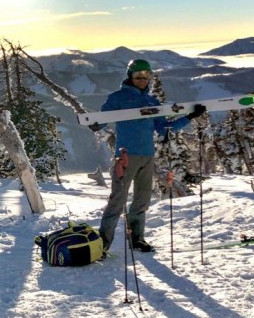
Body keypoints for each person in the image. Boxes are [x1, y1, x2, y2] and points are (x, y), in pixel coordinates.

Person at [88, 58, 205, 254]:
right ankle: (103, 243)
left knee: (142, 200)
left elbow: (163, 128)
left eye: (146, 75)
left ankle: (137, 239)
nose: (142, 79)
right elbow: (104, 118)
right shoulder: (118, 98)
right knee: (118, 200)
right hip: (125, 156)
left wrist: (189, 117)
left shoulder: (152, 102)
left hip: (147, 156)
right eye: (138, 76)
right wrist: (96, 124)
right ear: (130, 76)